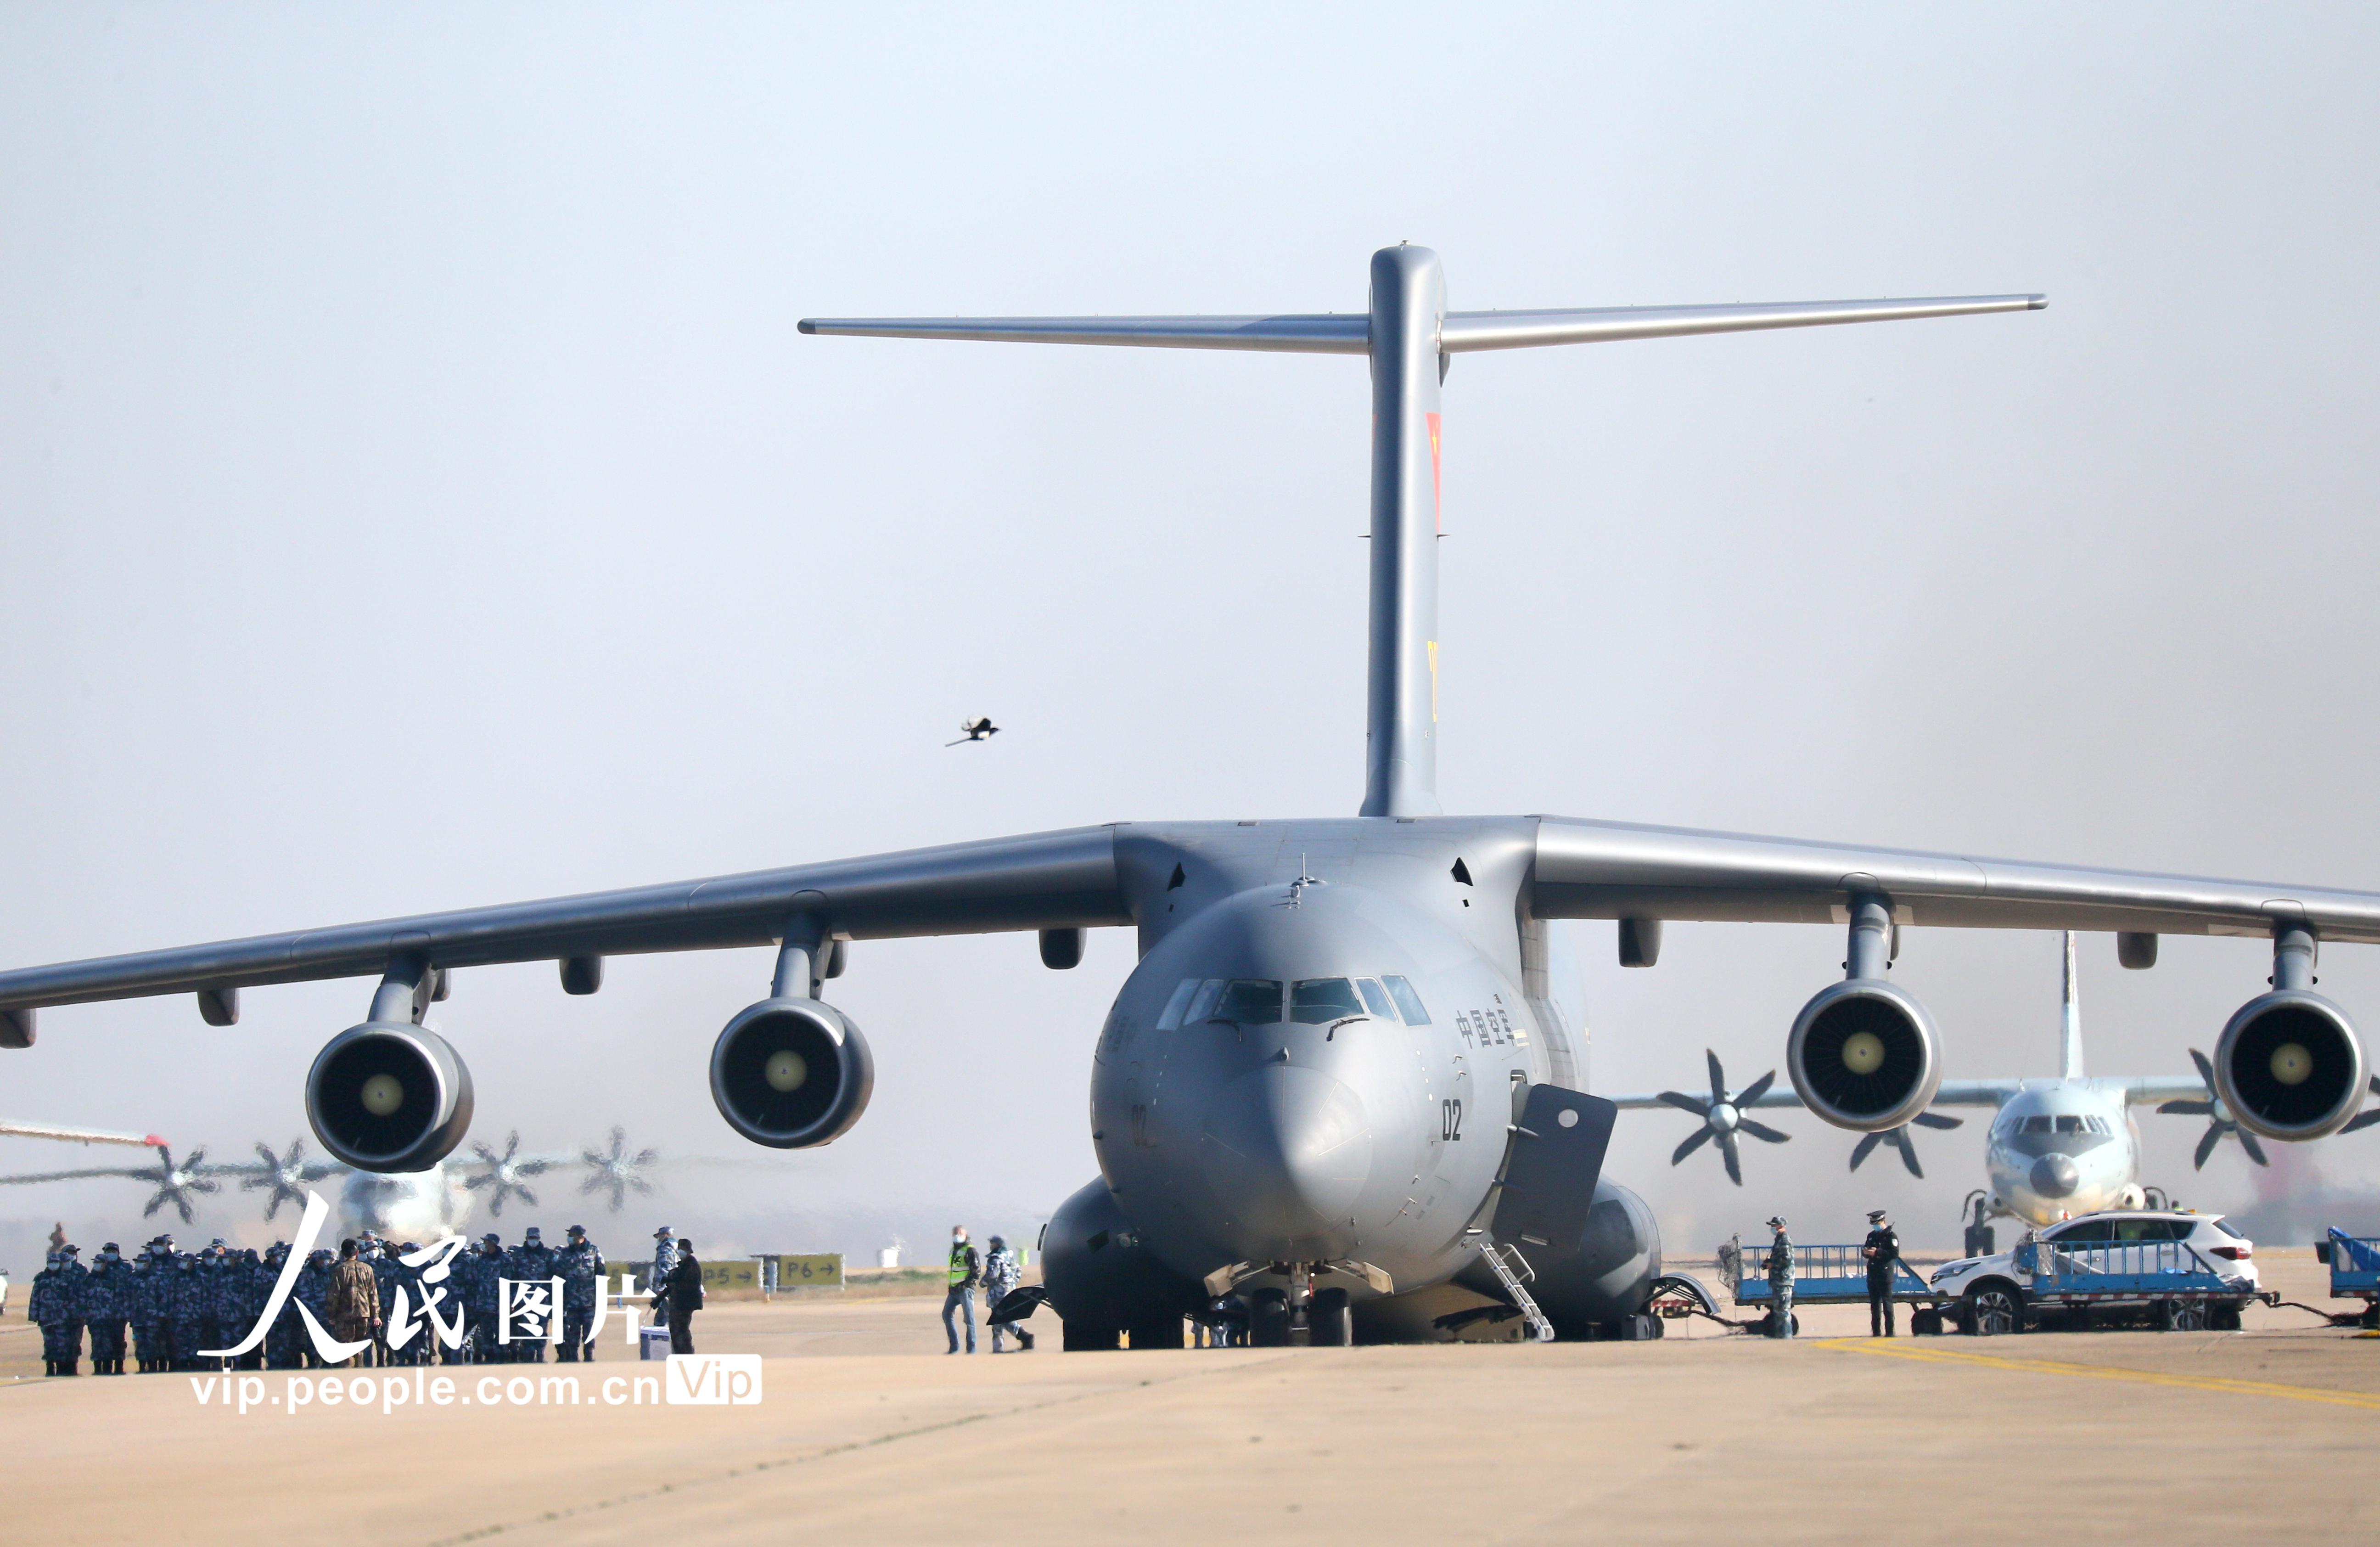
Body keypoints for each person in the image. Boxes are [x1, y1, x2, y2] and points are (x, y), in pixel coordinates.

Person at [325, 1238, 381, 1366]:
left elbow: (334, 1294)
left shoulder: (339, 1270)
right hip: (364, 1314)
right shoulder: (368, 1269)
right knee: (359, 1346)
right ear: (356, 1253)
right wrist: (376, 1315)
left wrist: (332, 1315)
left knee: (346, 1346)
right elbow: (373, 1293)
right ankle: (359, 1373)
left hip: (345, 1315)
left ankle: (348, 1376)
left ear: (343, 1254)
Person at [556, 1225, 606, 1362]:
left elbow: (601, 1273)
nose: (569, 1238)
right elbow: (559, 1273)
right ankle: (573, 1357)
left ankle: (589, 1356)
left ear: (580, 1237)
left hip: (589, 1300)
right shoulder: (565, 1253)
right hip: (571, 1300)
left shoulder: (594, 1251)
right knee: (573, 1331)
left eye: (572, 1235)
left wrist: (600, 1295)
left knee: (589, 1331)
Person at [83, 1242, 130, 1375]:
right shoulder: (89, 1279)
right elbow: (84, 1298)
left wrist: (122, 1314)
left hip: (114, 1316)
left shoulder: (114, 1278)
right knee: (98, 1343)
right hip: (95, 1317)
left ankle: (118, 1367)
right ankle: (100, 1369)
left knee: (117, 1342)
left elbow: (122, 1296)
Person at [982, 1234, 1032, 1352]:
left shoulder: (995, 1258)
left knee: (1000, 1319)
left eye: (992, 1243)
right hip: (1009, 1292)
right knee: (1000, 1319)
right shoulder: (1010, 1257)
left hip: (998, 1294)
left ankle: (1024, 1337)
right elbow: (1018, 1272)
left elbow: (992, 1276)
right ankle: (999, 1348)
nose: (991, 1245)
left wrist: (983, 1283)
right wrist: (1012, 1283)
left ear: (997, 1244)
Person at [1863, 1209, 1902, 1337]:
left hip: (1885, 1276)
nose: (1875, 1225)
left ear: (1884, 1221)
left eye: (1877, 1222)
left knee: (1887, 1305)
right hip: (1873, 1275)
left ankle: (1890, 1332)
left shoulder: (1891, 1236)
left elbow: (1894, 1254)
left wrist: (1878, 1253)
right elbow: (1866, 1250)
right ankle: (1876, 1332)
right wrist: (1867, 1253)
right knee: (1875, 1306)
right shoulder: (1872, 1236)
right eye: (1873, 1223)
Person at [943, 1226, 981, 1355]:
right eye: (955, 1233)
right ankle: (954, 1346)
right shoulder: (953, 1250)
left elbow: (976, 1271)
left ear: (965, 1235)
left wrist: (967, 1284)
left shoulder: (970, 1250)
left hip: (965, 1290)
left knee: (969, 1319)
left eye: (960, 1233)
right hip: (954, 1290)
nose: (957, 1235)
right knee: (947, 1315)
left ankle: (971, 1347)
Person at [664, 1238, 704, 1355]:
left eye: (682, 1249)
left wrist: (674, 1284)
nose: (680, 1251)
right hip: (680, 1303)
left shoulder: (691, 1265)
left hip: (685, 1303)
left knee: (681, 1329)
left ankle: (685, 1353)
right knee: (676, 1329)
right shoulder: (684, 1265)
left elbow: (688, 1284)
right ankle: (680, 1352)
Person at [1763, 1216, 1795, 1339]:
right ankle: (1781, 1337)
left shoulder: (1785, 1240)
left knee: (1783, 1311)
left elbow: (1786, 1259)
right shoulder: (1779, 1240)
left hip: (1783, 1280)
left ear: (1781, 1226)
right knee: (1779, 1312)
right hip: (1778, 1281)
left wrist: (1773, 1264)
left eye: (1774, 1226)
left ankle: (1786, 1337)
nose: (1772, 1228)